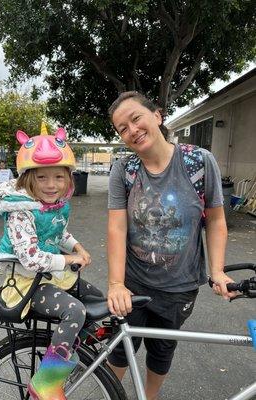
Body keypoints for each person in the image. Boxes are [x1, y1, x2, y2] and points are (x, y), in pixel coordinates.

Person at [106, 91, 236, 400]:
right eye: (122, 128)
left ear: (157, 116)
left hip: (180, 287)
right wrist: (115, 283)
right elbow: (116, 227)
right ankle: (108, 393)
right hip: (134, 282)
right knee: (120, 350)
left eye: (135, 119)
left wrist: (217, 271)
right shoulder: (124, 171)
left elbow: (215, 221)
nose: (132, 130)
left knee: (162, 352)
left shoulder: (198, 162)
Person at [0, 124, 102, 400]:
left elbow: (58, 232)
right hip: (27, 282)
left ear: (68, 179)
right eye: (41, 177)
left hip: (50, 276)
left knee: (100, 301)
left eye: (58, 177)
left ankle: (68, 352)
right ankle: (46, 381)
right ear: (28, 179)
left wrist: (77, 246)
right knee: (75, 311)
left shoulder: (54, 205)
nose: (51, 185)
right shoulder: (20, 211)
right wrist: (69, 259)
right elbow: (31, 258)